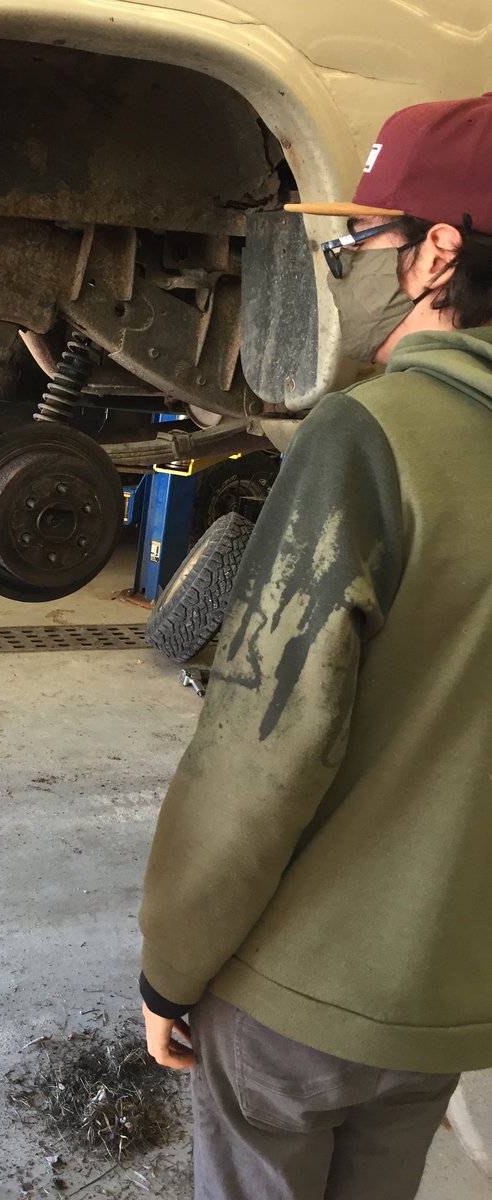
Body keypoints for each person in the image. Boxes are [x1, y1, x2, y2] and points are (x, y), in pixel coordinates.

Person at [138, 93, 492, 1200]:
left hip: (300, 997)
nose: (344, 264)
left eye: (360, 241)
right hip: (444, 1005)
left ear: (437, 253)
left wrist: (172, 964)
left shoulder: (371, 436)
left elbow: (262, 751)